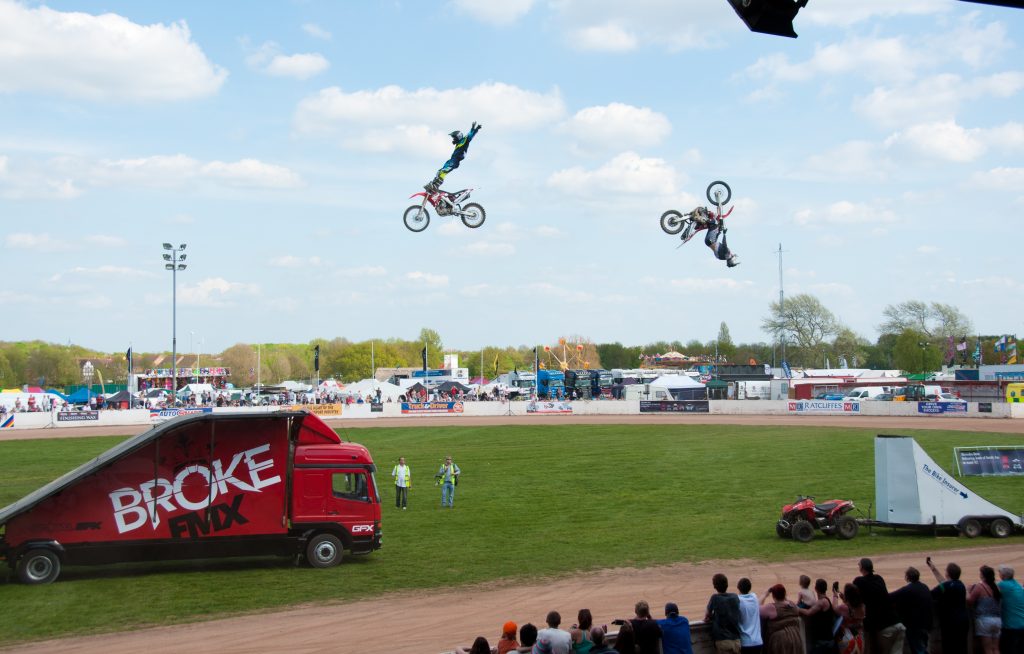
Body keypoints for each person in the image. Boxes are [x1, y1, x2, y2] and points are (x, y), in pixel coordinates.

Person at [852, 557, 905, 654]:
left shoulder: (859, 581)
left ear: (862, 568)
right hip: (898, 624)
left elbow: (854, 600)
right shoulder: (879, 578)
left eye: (859, 565)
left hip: (885, 629)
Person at [424, 121, 482, 193]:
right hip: (451, 160)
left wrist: (475, 129)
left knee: (443, 172)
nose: (453, 139)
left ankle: (436, 186)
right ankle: (433, 185)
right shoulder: (459, 143)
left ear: (458, 137)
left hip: (455, 161)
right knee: (439, 172)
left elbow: (470, 135)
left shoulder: (464, 140)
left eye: (454, 138)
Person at [927, 557, 968, 654]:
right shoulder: (960, 584)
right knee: (962, 647)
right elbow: (945, 583)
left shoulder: (946, 586)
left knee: (949, 647)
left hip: (951, 622)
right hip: (963, 621)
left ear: (948, 574)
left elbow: (931, 593)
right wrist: (933, 569)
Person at [888, 567, 932, 654]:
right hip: (926, 624)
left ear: (907, 577)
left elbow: (890, 597)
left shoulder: (908, 589)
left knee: (919, 650)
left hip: (915, 626)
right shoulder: (925, 587)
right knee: (923, 648)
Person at [759, 584, 803, 654]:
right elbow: (787, 602)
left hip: (781, 640)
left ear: (773, 596)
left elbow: (757, 607)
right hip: (796, 637)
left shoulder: (771, 607)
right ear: (784, 594)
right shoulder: (792, 605)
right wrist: (784, 595)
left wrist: (765, 594)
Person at [967, 565, 1002, 654]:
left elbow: (970, 601)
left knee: (988, 649)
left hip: (984, 621)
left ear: (983, 576)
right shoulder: (996, 587)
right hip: (997, 620)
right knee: (996, 648)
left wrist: (968, 591)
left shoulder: (980, 586)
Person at [705, 572, 743, 654]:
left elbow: (707, 615)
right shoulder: (735, 597)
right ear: (727, 585)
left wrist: (711, 617)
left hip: (723, 640)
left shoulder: (715, 598)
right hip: (737, 640)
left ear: (714, 586)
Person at [799, 579, 837, 654]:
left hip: (822, 641)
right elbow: (834, 607)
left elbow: (808, 612)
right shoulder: (826, 600)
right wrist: (835, 595)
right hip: (827, 639)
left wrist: (797, 608)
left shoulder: (821, 602)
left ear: (816, 589)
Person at [997, 565, 1024, 654]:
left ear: (1003, 576)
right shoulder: (1018, 585)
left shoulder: (1003, 585)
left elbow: (989, 588)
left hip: (1011, 627)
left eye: (1000, 573)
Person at [834, 583, 866, 654]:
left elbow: (834, 608)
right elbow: (853, 607)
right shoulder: (862, 606)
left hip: (848, 640)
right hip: (860, 638)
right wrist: (845, 600)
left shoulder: (843, 608)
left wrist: (835, 596)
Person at [736, 578, 764, 654]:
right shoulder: (754, 597)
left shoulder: (738, 600)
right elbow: (759, 602)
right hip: (758, 642)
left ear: (738, 587)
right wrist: (766, 594)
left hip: (745, 642)